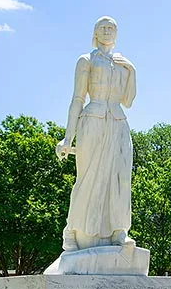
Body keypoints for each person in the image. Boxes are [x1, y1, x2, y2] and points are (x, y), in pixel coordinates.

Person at [56, 16, 136, 251]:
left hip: (118, 121)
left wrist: (132, 70)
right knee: (88, 177)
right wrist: (68, 137)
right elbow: (78, 99)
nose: (107, 30)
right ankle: (71, 231)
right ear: (95, 32)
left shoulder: (124, 64)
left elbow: (128, 101)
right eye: (103, 27)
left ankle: (119, 230)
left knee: (120, 178)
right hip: (92, 120)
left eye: (111, 27)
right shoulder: (86, 60)